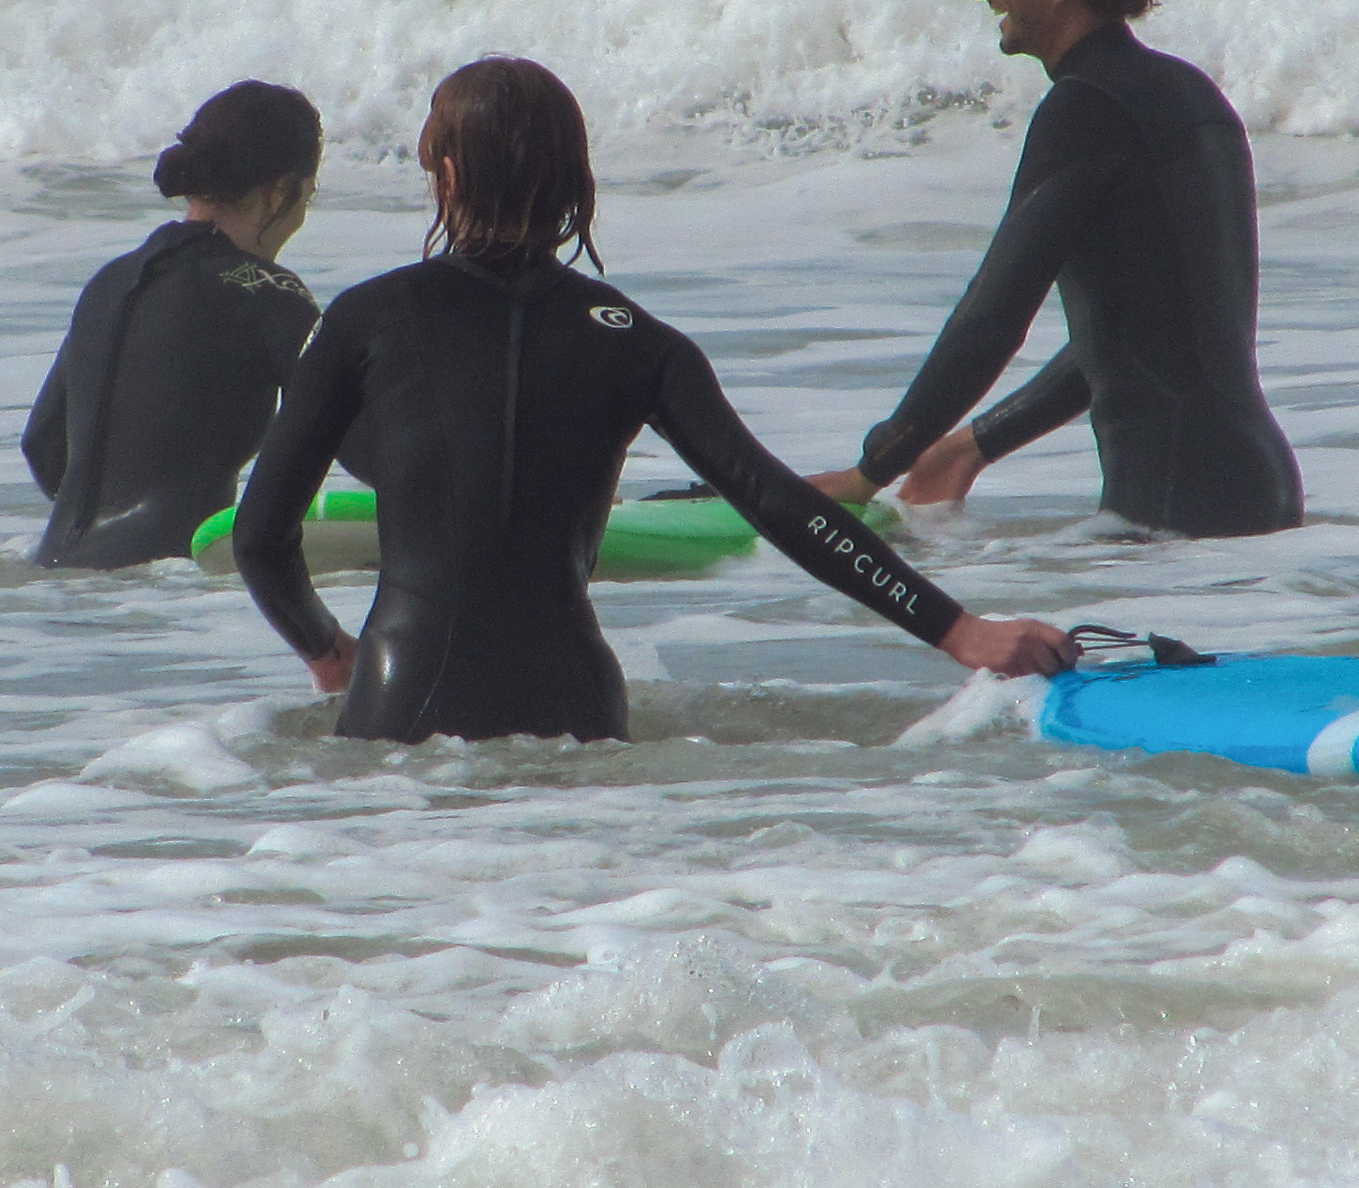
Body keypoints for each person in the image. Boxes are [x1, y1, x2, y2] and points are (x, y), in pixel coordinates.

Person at [234, 56, 1075, 742]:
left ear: (447, 176)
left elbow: (261, 535)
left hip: (402, 701)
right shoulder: (638, 341)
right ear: (575, 180)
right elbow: (779, 504)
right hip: (578, 709)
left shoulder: (366, 320)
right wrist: (960, 630)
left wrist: (327, 651)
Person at [808, 0, 1304, 537]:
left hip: (1174, 512)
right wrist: (970, 444)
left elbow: (993, 316)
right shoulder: (1188, 94)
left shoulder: (1085, 110)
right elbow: (1143, 335)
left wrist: (876, 466)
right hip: (1253, 489)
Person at [23, 81, 332, 569]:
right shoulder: (268, 290)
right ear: (278, 193)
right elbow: (343, 427)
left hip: (58, 574)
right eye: (306, 200)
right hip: (168, 586)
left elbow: (41, 445)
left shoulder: (111, 281)